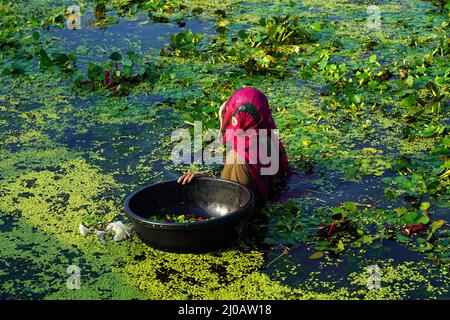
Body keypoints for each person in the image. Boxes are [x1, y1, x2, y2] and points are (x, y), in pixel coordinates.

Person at [177, 88, 290, 203]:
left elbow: (231, 203)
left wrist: (203, 186)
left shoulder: (239, 157)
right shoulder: (270, 137)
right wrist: (207, 178)